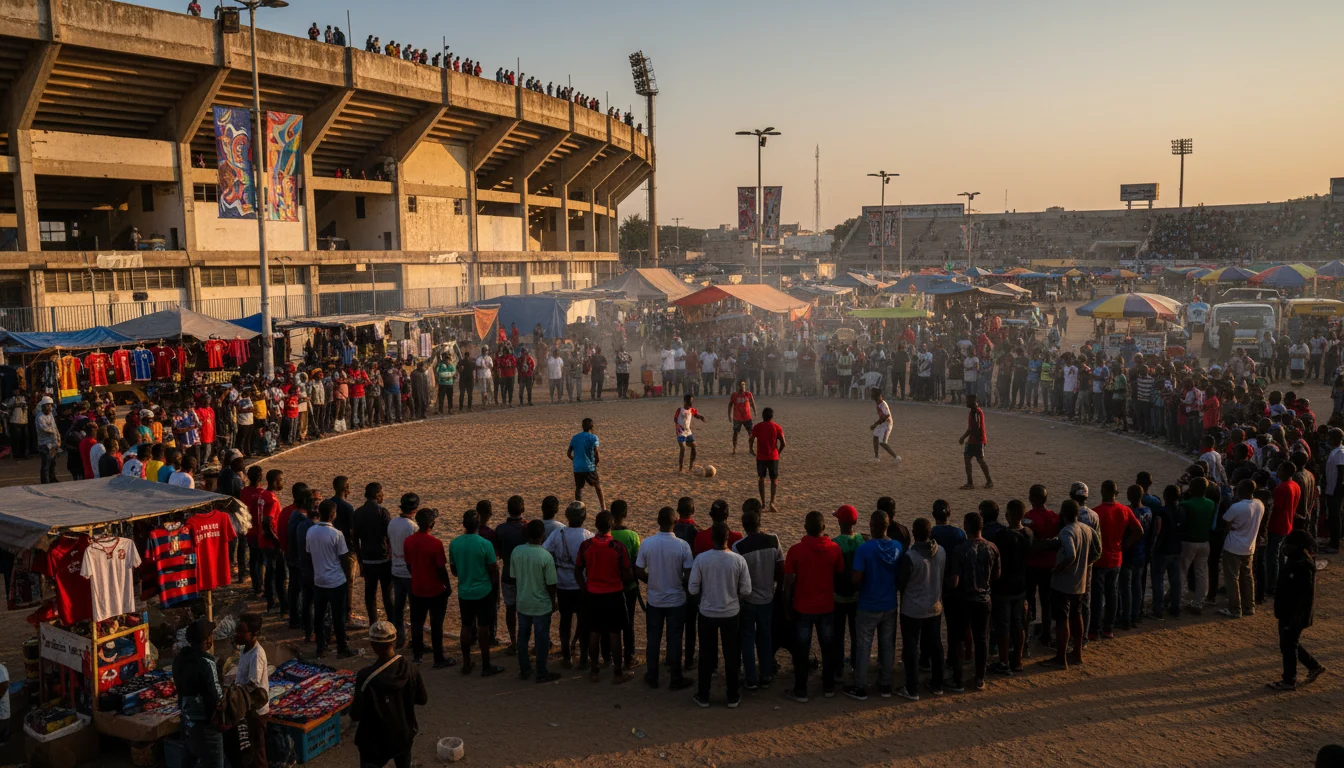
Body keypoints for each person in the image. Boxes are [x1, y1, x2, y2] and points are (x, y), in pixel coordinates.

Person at [688, 522, 752, 707]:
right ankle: (732, 695)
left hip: (707, 612)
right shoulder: (738, 560)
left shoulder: (701, 559)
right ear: (728, 538)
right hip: (730, 612)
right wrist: (734, 596)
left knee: (706, 655)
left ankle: (703, 695)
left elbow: (692, 589)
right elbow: (746, 590)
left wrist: (705, 595)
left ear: (711, 538)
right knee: (731, 655)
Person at [783, 511, 843, 703]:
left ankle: (800, 690)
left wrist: (786, 606)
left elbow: (788, 582)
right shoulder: (834, 549)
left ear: (805, 528)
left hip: (803, 607)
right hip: (826, 606)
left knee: (802, 650)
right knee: (828, 647)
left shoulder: (795, 550)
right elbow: (839, 573)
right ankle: (828, 687)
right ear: (824, 528)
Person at [351, 621, 428, 768]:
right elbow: (422, 699)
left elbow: (356, 715)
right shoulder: (411, 668)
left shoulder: (366, 676)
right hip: (403, 734)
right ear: (394, 641)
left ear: (373, 646)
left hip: (374, 741)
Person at [844, 510, 902, 700]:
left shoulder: (865, 549)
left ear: (872, 526)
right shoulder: (897, 547)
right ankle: (885, 684)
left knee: (864, 646)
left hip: (868, 603)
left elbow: (856, 578)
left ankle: (860, 686)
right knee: (887, 645)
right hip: (889, 603)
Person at [635, 505, 694, 690]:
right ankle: (675, 677)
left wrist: (651, 581)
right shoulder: (682, 545)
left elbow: (638, 570)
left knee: (653, 638)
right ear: (675, 522)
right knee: (674, 639)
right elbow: (688, 573)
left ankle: (652, 675)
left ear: (658, 522)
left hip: (655, 598)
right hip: (676, 599)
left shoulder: (648, 543)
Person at [944, 511, 1000, 692]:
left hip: (964, 599)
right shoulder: (992, 548)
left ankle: (958, 680)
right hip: (984, 598)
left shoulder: (960, 549)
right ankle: (979, 678)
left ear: (966, 527)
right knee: (981, 638)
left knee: (959, 638)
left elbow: (955, 581)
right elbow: (997, 575)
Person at [1045, 500, 1099, 669]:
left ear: (1063, 514)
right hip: (1080, 582)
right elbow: (1097, 552)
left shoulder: (1066, 531)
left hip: (1064, 583)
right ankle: (1077, 652)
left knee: (1062, 619)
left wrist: (1058, 569)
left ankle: (1061, 658)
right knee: (1077, 615)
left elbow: (1070, 554)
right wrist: (1084, 565)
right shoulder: (1088, 529)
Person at [448, 509, 503, 675]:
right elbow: (492, 569)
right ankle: (486, 665)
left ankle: (466, 663)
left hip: (465, 591)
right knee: (483, 627)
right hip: (483, 590)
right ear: (478, 525)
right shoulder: (485, 544)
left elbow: (454, 570)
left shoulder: (454, 543)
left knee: (466, 626)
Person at [733, 502, 782, 690]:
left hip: (748, 599)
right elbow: (780, 568)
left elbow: (738, 577)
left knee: (747, 637)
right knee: (765, 635)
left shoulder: (739, 547)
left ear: (744, 526)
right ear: (759, 522)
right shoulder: (774, 540)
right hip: (767, 597)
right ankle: (766, 674)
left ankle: (751, 678)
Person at [1269, 530, 1326, 690]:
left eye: (1289, 544)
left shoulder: (1302, 566)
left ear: (1298, 546)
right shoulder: (1296, 561)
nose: (1286, 546)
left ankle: (1289, 680)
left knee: (1288, 645)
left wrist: (1295, 619)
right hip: (1289, 612)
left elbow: (1303, 597)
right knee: (1289, 643)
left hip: (1294, 614)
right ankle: (1313, 666)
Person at [898, 517, 944, 700]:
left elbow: (901, 583)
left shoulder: (910, 557)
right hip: (934, 607)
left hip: (913, 610)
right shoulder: (941, 551)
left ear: (914, 534)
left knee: (911, 647)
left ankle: (911, 688)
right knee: (935, 645)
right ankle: (938, 684)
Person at [543, 502, 594, 668]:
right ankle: (583, 655)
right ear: (584, 517)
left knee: (565, 621)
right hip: (582, 586)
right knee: (584, 620)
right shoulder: (588, 536)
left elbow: (545, 551)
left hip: (562, 584)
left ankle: (566, 655)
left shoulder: (559, 533)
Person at [1089, 480, 1142, 640]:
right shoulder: (1124, 510)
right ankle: (1108, 628)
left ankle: (1094, 630)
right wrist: (1126, 544)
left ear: (1102, 491)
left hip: (1100, 559)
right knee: (1112, 593)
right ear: (1117, 494)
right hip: (1116, 557)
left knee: (1097, 596)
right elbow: (1139, 530)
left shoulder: (1096, 512)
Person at [511, 520, 561, 683]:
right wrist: (553, 601)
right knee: (541, 640)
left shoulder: (517, 551)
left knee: (523, 637)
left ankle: (524, 669)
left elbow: (514, 576)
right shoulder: (545, 556)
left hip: (523, 602)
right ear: (542, 535)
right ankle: (541, 672)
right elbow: (551, 584)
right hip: (541, 605)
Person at [308, 500, 356, 658]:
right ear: (333, 515)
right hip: (336, 581)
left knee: (319, 615)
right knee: (338, 617)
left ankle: (321, 647)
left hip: (319, 579)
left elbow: (309, 554)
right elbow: (343, 559)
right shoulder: (337, 534)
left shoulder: (311, 531)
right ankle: (342, 648)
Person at [174, 619, 225, 768]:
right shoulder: (207, 663)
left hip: (187, 722)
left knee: (189, 761)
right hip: (206, 726)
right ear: (208, 640)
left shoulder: (180, 659)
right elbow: (218, 697)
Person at [1219, 479, 1265, 619]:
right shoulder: (1259, 504)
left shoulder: (1237, 507)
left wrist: (1233, 527)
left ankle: (1234, 608)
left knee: (1232, 578)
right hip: (1249, 546)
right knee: (1247, 576)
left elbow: (1226, 523)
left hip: (1233, 546)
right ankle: (1249, 606)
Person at [232, 612, 269, 767]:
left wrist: (233, 694)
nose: (237, 635)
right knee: (248, 747)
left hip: (256, 708)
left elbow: (252, 685)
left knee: (258, 747)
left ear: (253, 634)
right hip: (246, 706)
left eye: (241, 632)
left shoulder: (257, 655)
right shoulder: (244, 649)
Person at [1178, 476, 1217, 614]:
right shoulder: (1211, 503)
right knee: (1201, 572)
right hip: (1204, 541)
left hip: (1188, 541)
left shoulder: (1186, 504)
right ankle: (1199, 602)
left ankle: (1178, 599)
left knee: (1182, 570)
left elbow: (1181, 521)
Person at [388, 493, 420, 648]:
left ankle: (399, 636)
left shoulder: (393, 522)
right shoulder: (412, 527)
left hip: (395, 568)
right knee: (414, 607)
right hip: (409, 572)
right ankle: (415, 639)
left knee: (398, 606)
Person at [749, 407, 786, 512]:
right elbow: (783, 443)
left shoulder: (757, 427)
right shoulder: (777, 427)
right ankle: (772, 502)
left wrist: (751, 449)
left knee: (761, 479)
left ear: (763, 416)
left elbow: (751, 439)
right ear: (772, 417)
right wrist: (778, 452)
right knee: (774, 480)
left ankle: (763, 503)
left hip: (761, 457)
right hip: (773, 457)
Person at [567, 418, 605, 510]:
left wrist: (575, 460)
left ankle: (578, 507)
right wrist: (596, 463)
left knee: (579, 487)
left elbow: (568, 453)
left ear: (582, 427)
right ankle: (603, 507)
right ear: (592, 427)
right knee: (597, 486)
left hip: (578, 467)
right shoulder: (593, 437)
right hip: (589, 467)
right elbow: (596, 453)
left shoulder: (575, 437)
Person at [959, 393, 993, 489]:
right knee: (971, 459)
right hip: (975, 440)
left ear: (972, 401)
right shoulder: (974, 411)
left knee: (977, 460)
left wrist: (963, 437)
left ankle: (974, 483)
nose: (966, 402)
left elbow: (973, 428)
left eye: (967, 401)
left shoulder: (976, 412)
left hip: (977, 440)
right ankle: (984, 481)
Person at [674, 394, 707, 473]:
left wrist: (701, 417)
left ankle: (690, 467)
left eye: (691, 402)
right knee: (683, 448)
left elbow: (696, 415)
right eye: (689, 402)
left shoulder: (692, 409)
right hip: (680, 432)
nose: (691, 404)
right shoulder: (680, 410)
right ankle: (680, 468)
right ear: (685, 402)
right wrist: (679, 426)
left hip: (688, 432)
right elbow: (675, 420)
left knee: (694, 446)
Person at [868, 388, 901, 463]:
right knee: (875, 436)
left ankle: (896, 457)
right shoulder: (879, 403)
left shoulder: (882, 404)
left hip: (887, 424)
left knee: (882, 442)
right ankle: (876, 457)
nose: (871, 395)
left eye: (873, 394)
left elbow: (886, 416)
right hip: (882, 423)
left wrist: (875, 424)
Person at [729, 381, 755, 455]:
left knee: (751, 434)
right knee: (735, 433)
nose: (742, 388)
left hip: (747, 417)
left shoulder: (748, 394)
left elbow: (752, 403)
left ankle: (751, 449)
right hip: (737, 418)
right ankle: (734, 449)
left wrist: (755, 411)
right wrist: (729, 415)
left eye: (743, 387)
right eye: (741, 387)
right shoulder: (734, 395)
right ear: (737, 387)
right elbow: (730, 405)